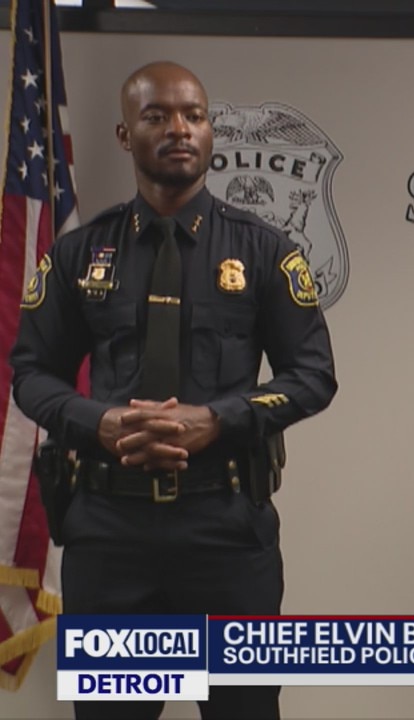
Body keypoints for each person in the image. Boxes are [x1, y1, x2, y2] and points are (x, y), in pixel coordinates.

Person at [9, 61, 337, 719]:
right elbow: (30, 372)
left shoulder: (266, 251)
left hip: (225, 534)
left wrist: (219, 419)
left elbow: (313, 375)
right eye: (157, 116)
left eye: (194, 115)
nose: (179, 129)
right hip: (110, 537)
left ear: (211, 131)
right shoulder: (80, 255)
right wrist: (97, 421)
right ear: (125, 135)